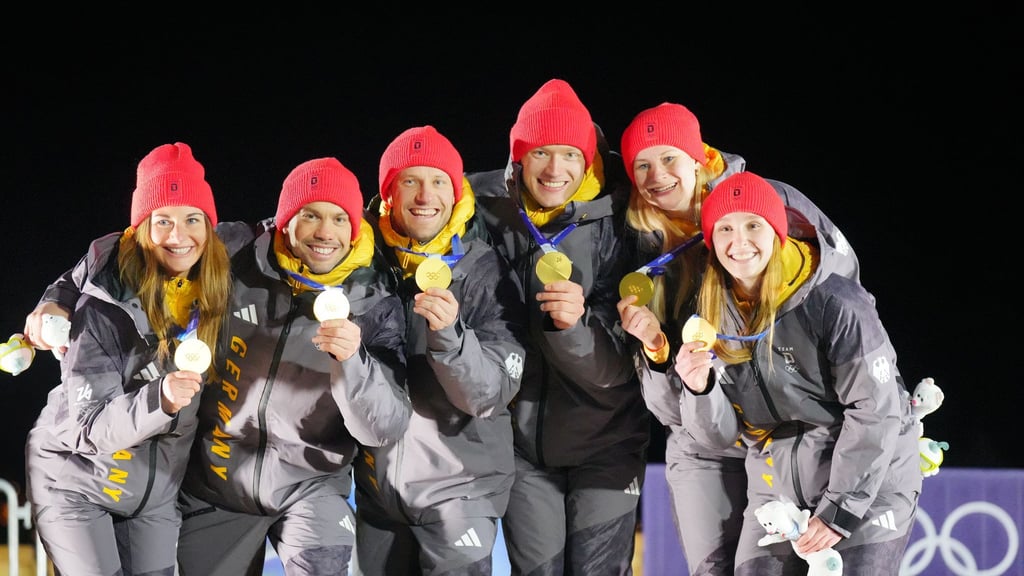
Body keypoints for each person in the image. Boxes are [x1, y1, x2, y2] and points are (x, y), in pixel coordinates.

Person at [26, 156, 412, 575]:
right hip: (217, 485)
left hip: (311, 485)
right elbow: (118, 256)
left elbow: (384, 427)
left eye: (340, 218)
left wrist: (353, 362)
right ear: (285, 221)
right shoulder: (234, 249)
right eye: (310, 214)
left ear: (356, 227)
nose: (325, 231)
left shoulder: (375, 301)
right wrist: (57, 298)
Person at [615, 102, 860, 575]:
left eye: (669, 157)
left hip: (786, 434)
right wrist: (658, 352)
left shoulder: (767, 204)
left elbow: (843, 292)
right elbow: (673, 412)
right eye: (641, 164)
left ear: (699, 157)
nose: (656, 175)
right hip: (706, 446)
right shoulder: (642, 249)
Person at [671, 170, 920, 575]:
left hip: (867, 487)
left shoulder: (836, 303)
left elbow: (875, 410)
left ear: (777, 232)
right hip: (777, 489)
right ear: (711, 241)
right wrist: (700, 390)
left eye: (754, 225)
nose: (739, 242)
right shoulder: (710, 313)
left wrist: (839, 511)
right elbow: (717, 436)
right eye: (725, 229)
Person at [24, 142, 232, 575]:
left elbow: (291, 233)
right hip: (76, 480)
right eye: (163, 221)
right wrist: (161, 399)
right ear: (140, 229)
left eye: (193, 219)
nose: (179, 236)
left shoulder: (219, 282)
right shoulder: (101, 308)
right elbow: (88, 427)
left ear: (210, 228)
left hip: (154, 494)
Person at [466, 79, 647, 575]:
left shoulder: (622, 217)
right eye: (541, 151)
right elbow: (404, 200)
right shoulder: (480, 205)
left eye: (570, 153)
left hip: (607, 440)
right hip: (521, 445)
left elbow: (618, 362)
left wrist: (575, 327)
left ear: (588, 160)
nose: (555, 168)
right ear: (518, 156)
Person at [355, 125, 525, 575]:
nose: (425, 194)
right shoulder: (361, 265)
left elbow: (489, 394)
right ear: (387, 194)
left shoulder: (486, 270)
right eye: (409, 180)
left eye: (438, 181)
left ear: (456, 194)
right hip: (379, 494)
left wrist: (449, 335)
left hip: (460, 491)